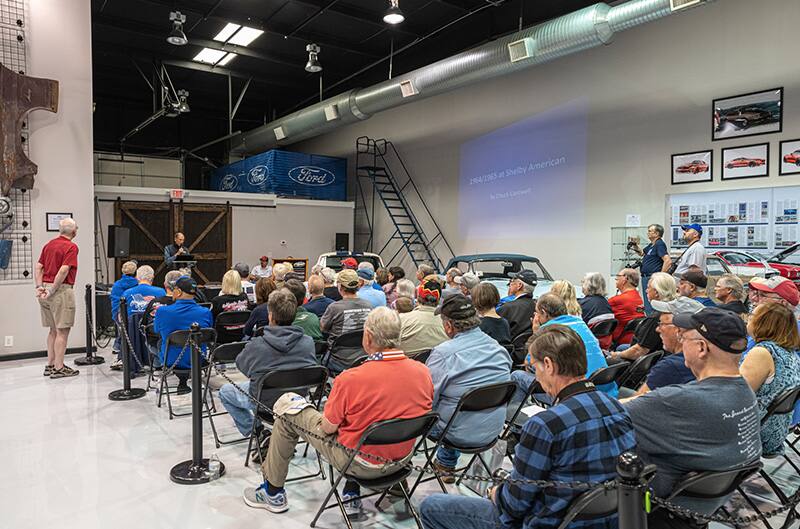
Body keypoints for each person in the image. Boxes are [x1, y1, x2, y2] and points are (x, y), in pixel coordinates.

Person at [419, 325, 637, 529]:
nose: (536, 375)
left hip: (549, 521)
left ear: (549, 365)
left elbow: (514, 506)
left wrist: (495, 492)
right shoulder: (617, 408)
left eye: (534, 367)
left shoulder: (545, 425)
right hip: (603, 519)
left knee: (431, 506)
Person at [243, 307, 433, 516]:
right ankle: (354, 489)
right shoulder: (423, 371)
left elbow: (327, 427)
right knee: (370, 419)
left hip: (358, 462)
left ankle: (273, 492)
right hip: (402, 460)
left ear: (368, 337)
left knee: (288, 408)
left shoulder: (351, 379)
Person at [624, 308, 761, 525]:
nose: (680, 340)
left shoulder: (675, 401)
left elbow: (605, 415)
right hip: (703, 506)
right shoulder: (744, 392)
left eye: (683, 336)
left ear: (701, 347)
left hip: (656, 510)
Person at [427, 294, 512, 478]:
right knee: (456, 399)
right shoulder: (499, 350)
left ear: (448, 326)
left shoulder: (443, 354)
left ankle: (407, 468)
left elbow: (426, 400)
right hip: (493, 430)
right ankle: (445, 463)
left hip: (456, 435)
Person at [218, 288, 317, 442]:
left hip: (264, 404)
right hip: (297, 402)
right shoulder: (308, 342)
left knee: (225, 391)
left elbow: (242, 366)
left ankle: (257, 432)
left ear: (270, 316)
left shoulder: (257, 344)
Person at [739, 303, 800, 456]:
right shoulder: (789, 353)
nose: (748, 319)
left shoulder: (762, 352)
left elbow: (736, 394)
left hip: (754, 432)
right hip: (777, 430)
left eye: (752, 316)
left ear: (764, 323)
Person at [621, 296, 703, 399]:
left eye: (661, 324)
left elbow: (634, 404)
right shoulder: (704, 357)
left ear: (678, 330)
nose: (657, 329)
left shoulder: (670, 367)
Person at [35, 217, 80, 379]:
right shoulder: (71, 247)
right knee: (62, 331)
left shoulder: (48, 245)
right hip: (60, 291)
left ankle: (51, 364)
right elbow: (63, 270)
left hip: (44, 289)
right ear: (74, 231)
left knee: (53, 330)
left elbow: (39, 266)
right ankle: (59, 368)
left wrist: (39, 286)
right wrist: (53, 290)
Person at [153, 276, 213, 394]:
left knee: (160, 342)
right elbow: (208, 334)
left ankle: (179, 379)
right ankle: (186, 379)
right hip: (199, 359)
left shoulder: (162, 311)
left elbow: (156, 330)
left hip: (171, 360)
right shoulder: (205, 312)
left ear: (179, 292)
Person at [608, 272, 676, 363]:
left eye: (648, 288)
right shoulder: (675, 310)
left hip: (644, 359)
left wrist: (616, 355)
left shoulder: (657, 318)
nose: (646, 291)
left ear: (656, 292)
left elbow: (639, 351)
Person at [320, 269, 373, 349]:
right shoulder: (369, 306)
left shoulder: (334, 308)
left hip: (337, 354)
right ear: (358, 286)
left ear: (340, 286)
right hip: (362, 353)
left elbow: (322, 328)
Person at [398, 277, 449, 356]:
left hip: (407, 365)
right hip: (439, 365)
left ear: (417, 298)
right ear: (438, 300)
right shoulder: (448, 325)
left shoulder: (402, 319)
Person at [632, 224, 672, 313]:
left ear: (657, 233)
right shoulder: (652, 245)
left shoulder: (659, 244)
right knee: (648, 303)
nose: (648, 233)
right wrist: (634, 246)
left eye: (650, 231)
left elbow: (668, 261)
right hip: (646, 277)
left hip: (652, 278)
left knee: (652, 304)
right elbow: (642, 253)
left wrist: (660, 276)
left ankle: (652, 324)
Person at [497, 269, 537, 339]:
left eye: (512, 281)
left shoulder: (507, 308)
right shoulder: (537, 307)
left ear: (519, 285)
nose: (510, 284)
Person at [109, 260, 138, 355]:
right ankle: (120, 346)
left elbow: (113, 298)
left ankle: (118, 346)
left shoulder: (117, 284)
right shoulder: (137, 284)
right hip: (132, 312)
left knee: (122, 330)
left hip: (118, 312)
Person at [609, 268, 644, 345]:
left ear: (625, 279)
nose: (616, 278)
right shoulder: (637, 297)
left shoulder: (617, 300)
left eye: (618, 276)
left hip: (621, 341)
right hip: (635, 339)